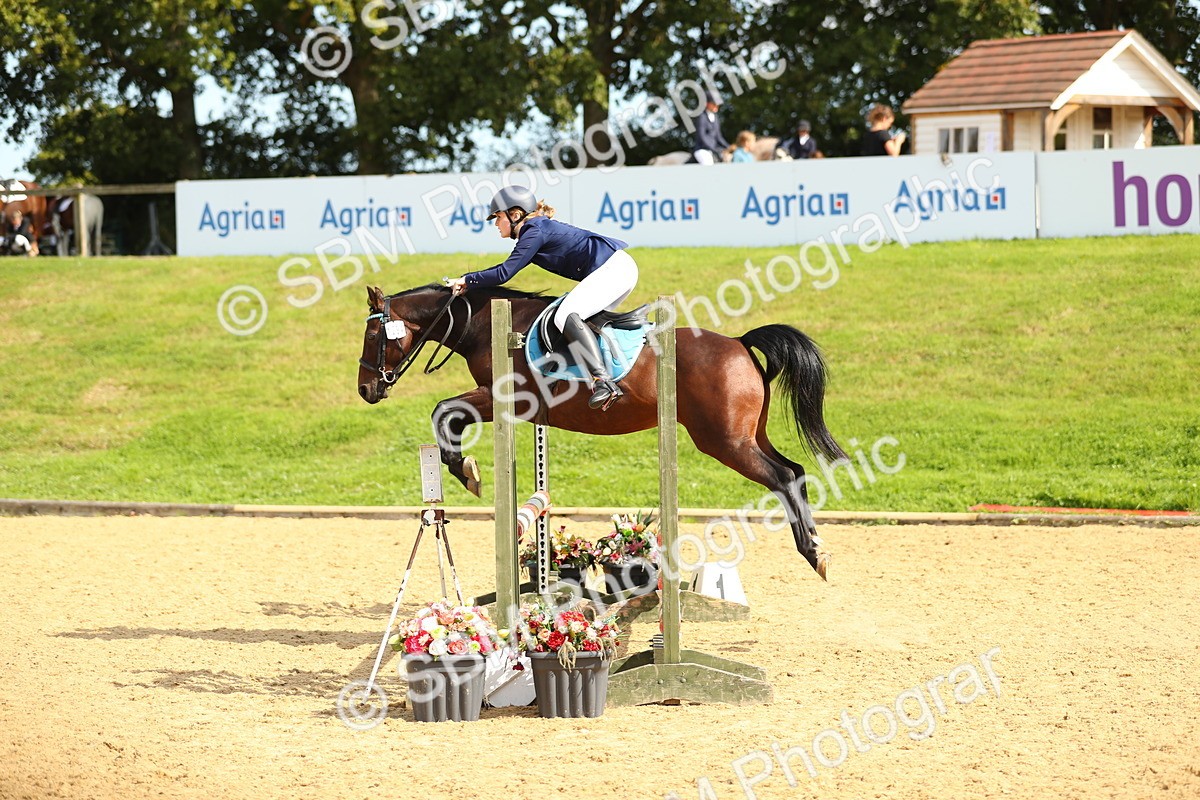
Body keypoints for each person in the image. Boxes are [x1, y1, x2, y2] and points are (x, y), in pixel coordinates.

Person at [445, 186, 637, 411]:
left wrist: (467, 280)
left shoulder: (534, 231)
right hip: (618, 268)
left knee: (565, 315)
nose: (495, 224)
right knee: (579, 320)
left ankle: (603, 381)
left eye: (498, 217)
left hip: (615, 270)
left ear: (515, 215)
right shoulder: (536, 229)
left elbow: (504, 273)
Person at [691, 92, 729, 165]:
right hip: (702, 150)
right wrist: (713, 149)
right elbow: (701, 136)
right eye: (714, 104)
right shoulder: (701, 117)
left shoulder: (715, 118)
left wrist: (728, 146)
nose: (716, 106)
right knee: (707, 162)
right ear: (707, 104)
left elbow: (718, 137)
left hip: (713, 149)